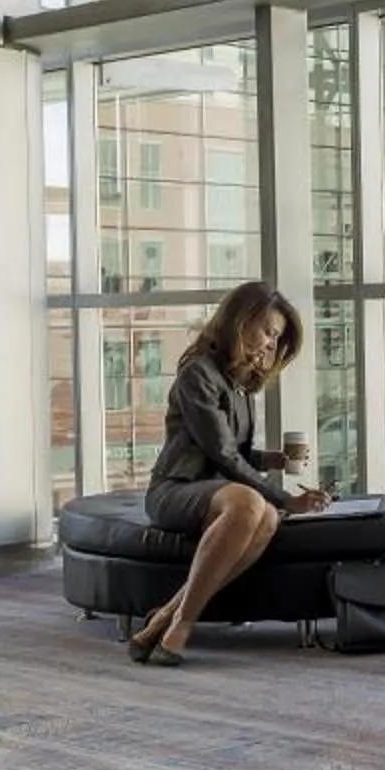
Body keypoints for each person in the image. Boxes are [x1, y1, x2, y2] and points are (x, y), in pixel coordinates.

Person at [128, 281, 321, 667]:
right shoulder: (197, 374)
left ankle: (164, 616)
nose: (269, 343)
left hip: (216, 490)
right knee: (256, 503)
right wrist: (286, 498)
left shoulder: (241, 384)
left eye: (276, 337)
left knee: (265, 518)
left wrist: (276, 460)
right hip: (175, 489)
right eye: (267, 330)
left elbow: (240, 452)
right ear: (241, 320)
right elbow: (223, 454)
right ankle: (182, 625)